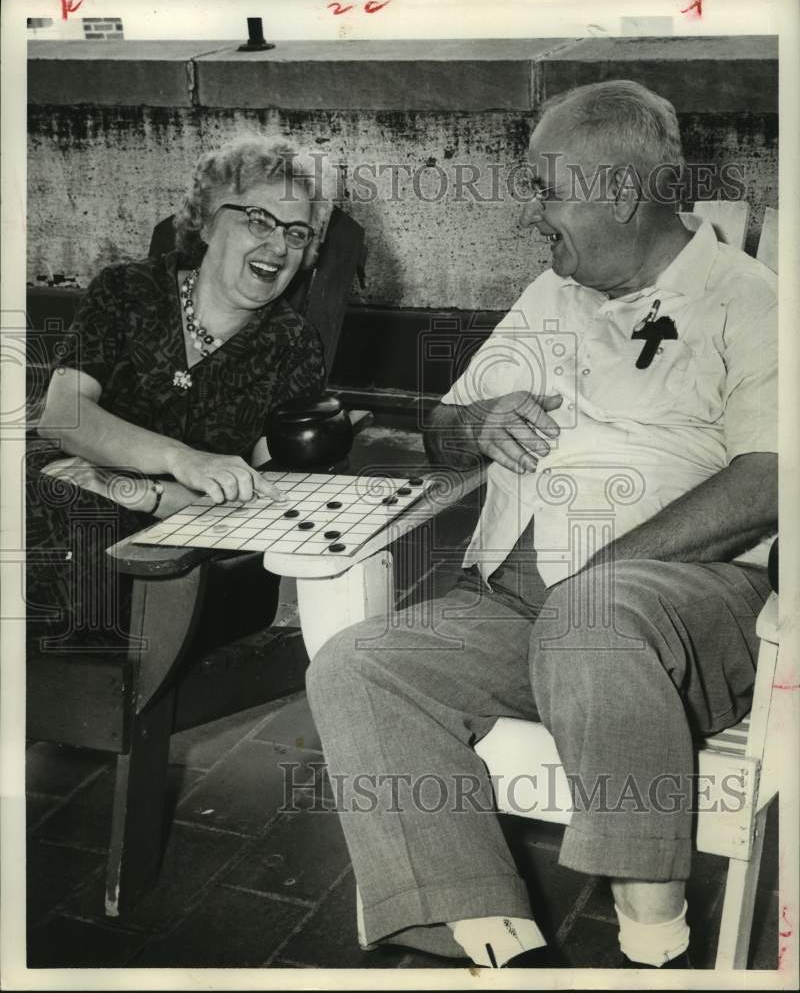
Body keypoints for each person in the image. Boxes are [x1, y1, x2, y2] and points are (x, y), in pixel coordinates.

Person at [305, 80, 777, 969]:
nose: (534, 215)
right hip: (517, 605)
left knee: (589, 617)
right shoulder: (552, 294)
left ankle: (654, 945)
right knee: (357, 667)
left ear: (621, 193)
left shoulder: (749, 302)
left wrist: (602, 573)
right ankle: (503, 949)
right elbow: (442, 428)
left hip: (683, 608)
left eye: (545, 189)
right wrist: (476, 425)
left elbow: (771, 477)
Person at [27, 135, 332, 651]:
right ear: (208, 221)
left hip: (179, 555)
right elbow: (62, 418)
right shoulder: (126, 291)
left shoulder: (292, 344)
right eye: (258, 219)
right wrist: (181, 461)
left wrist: (145, 493)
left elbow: (281, 491)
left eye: (296, 234)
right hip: (59, 503)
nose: (279, 246)